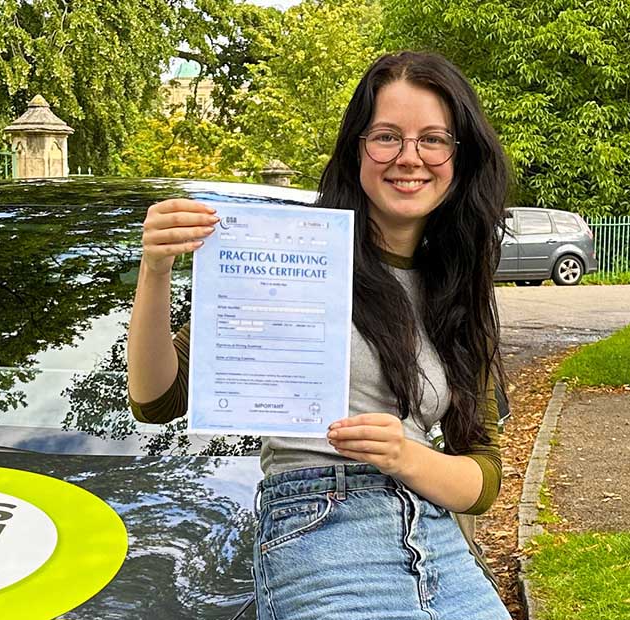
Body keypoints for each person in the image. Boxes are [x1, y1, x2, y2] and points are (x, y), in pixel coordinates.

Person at [127, 51, 512, 620]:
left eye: (433, 139)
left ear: (460, 156)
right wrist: (155, 270)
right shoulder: (290, 255)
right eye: (387, 137)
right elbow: (157, 399)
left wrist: (404, 455)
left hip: (435, 538)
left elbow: (483, 478)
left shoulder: (457, 290)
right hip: (318, 526)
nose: (409, 157)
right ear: (357, 148)